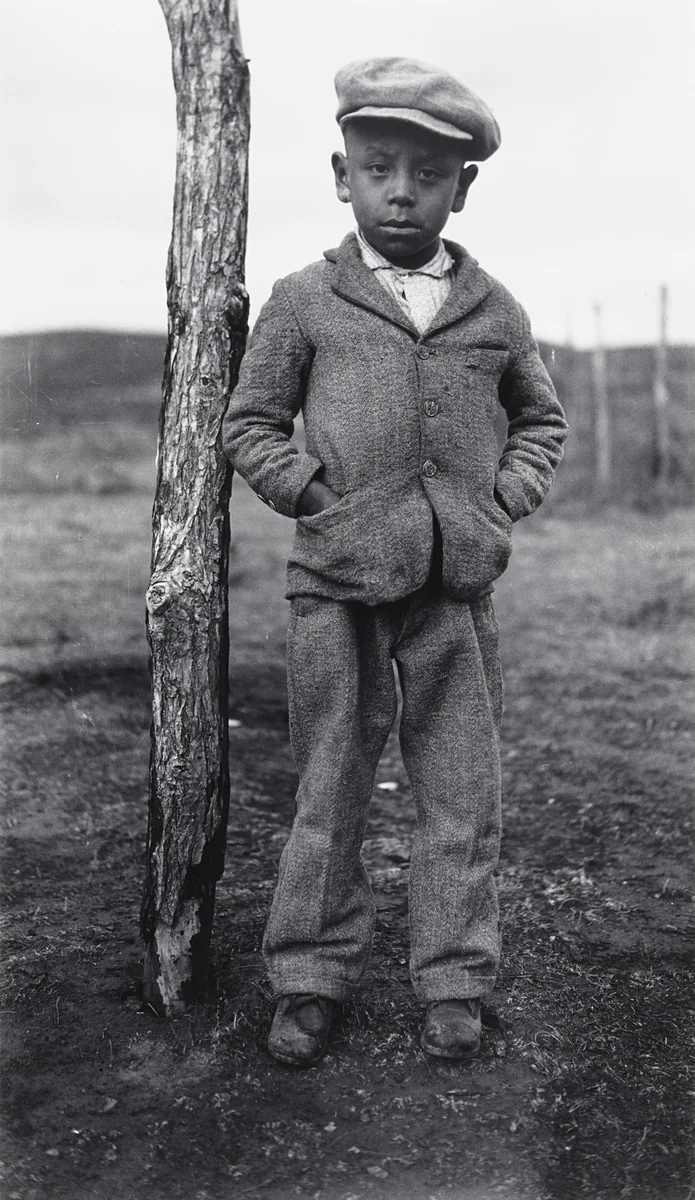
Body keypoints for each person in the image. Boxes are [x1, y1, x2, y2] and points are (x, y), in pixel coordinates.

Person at [223, 57, 569, 1067]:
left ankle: (455, 980)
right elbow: (249, 424)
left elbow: (538, 421)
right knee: (327, 783)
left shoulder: (493, 308)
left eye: (427, 174)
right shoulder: (305, 300)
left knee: (461, 791)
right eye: (380, 169)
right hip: (334, 584)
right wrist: (313, 495)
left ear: (462, 187)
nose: (402, 191)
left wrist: (499, 496)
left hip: (454, 590)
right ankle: (308, 977)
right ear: (342, 175)